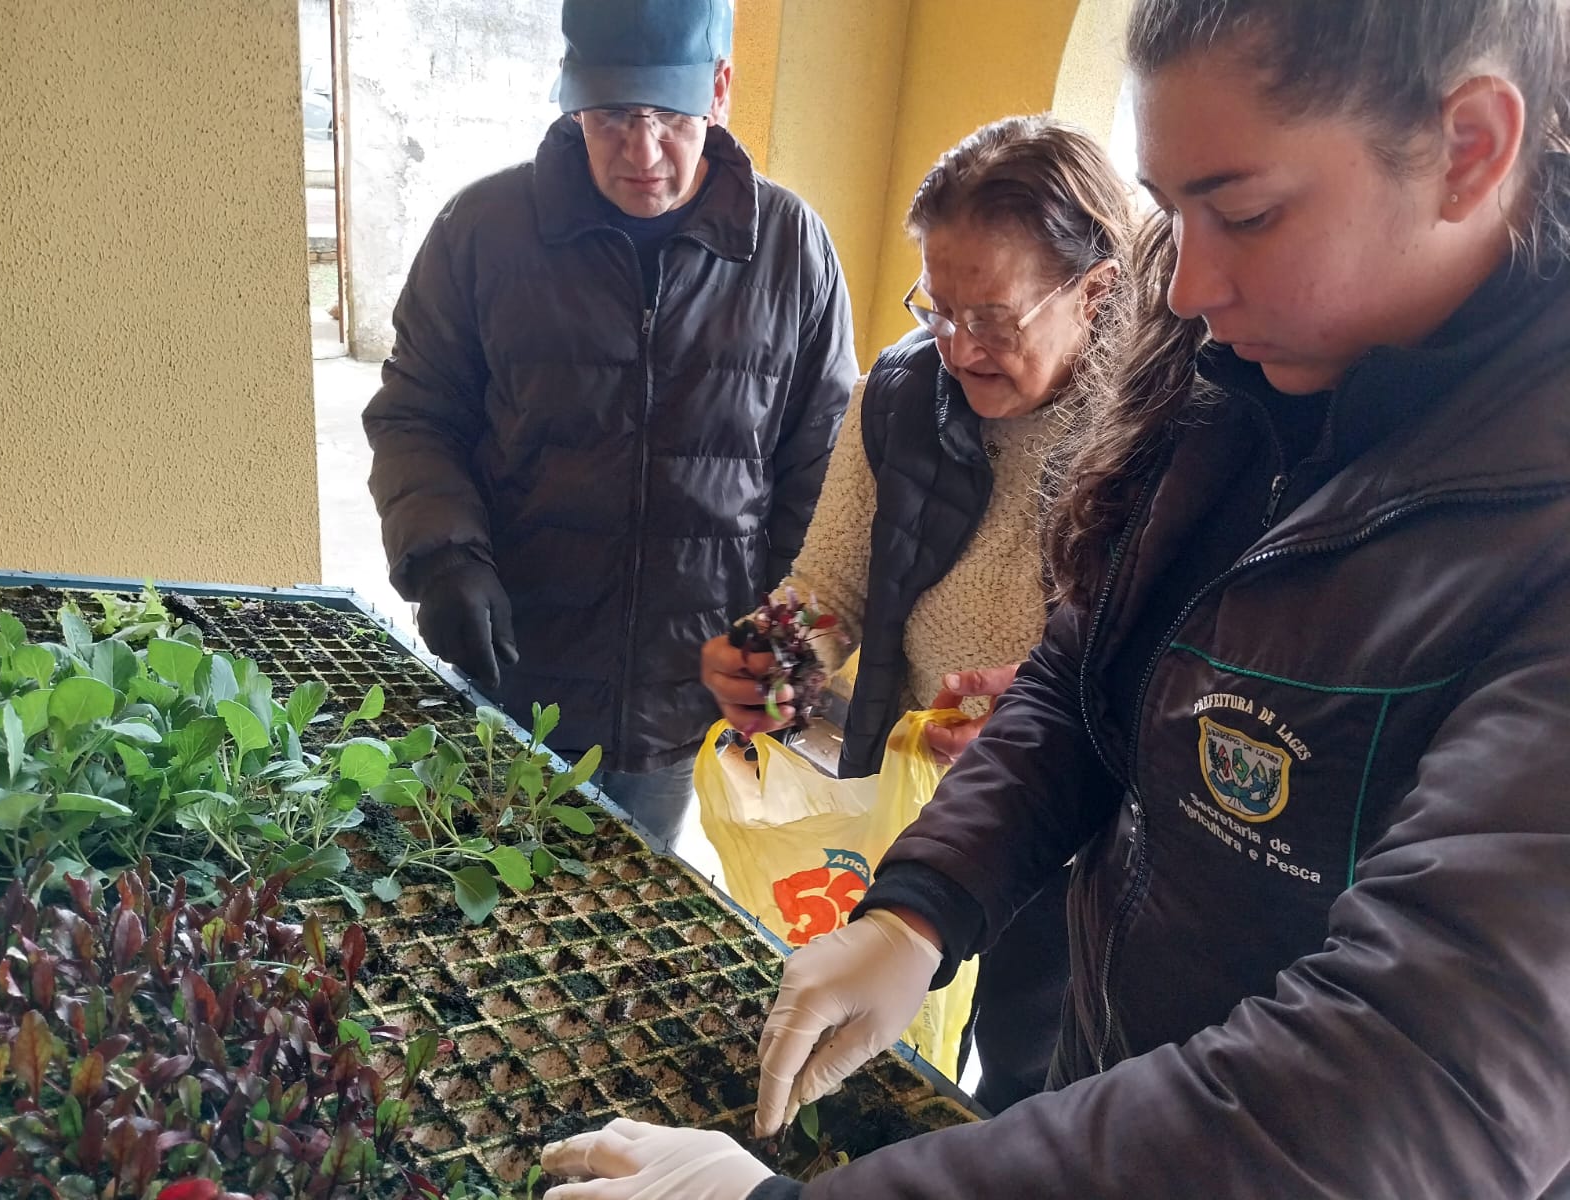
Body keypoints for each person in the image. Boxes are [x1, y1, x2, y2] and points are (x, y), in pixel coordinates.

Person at [541, 0, 1570, 1195]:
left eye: (1244, 213)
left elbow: (1412, 1085)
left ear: (1469, 148)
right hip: (1109, 1054)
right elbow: (1085, 674)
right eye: (1169, 212)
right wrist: (920, 909)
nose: (1186, 289)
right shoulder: (1225, 374)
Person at [697, 114, 1131, 1112]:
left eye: (993, 319)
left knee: (1031, 1072)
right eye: (936, 308)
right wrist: (774, 655)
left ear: (1096, 291)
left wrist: (1045, 722)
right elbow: (834, 584)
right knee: (898, 1036)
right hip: (921, 803)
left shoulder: (1155, 432)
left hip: (1077, 840)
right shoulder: (898, 396)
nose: (957, 346)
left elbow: (1165, 666)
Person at [362, 0, 857, 849]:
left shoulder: (792, 249)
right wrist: (443, 556)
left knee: (627, 891)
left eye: (670, 117)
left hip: (680, 693)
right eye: (613, 116)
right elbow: (417, 413)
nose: (642, 152)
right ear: (570, 99)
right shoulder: (482, 229)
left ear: (720, 90)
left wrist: (784, 639)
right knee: (476, 881)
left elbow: (824, 469)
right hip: (513, 665)